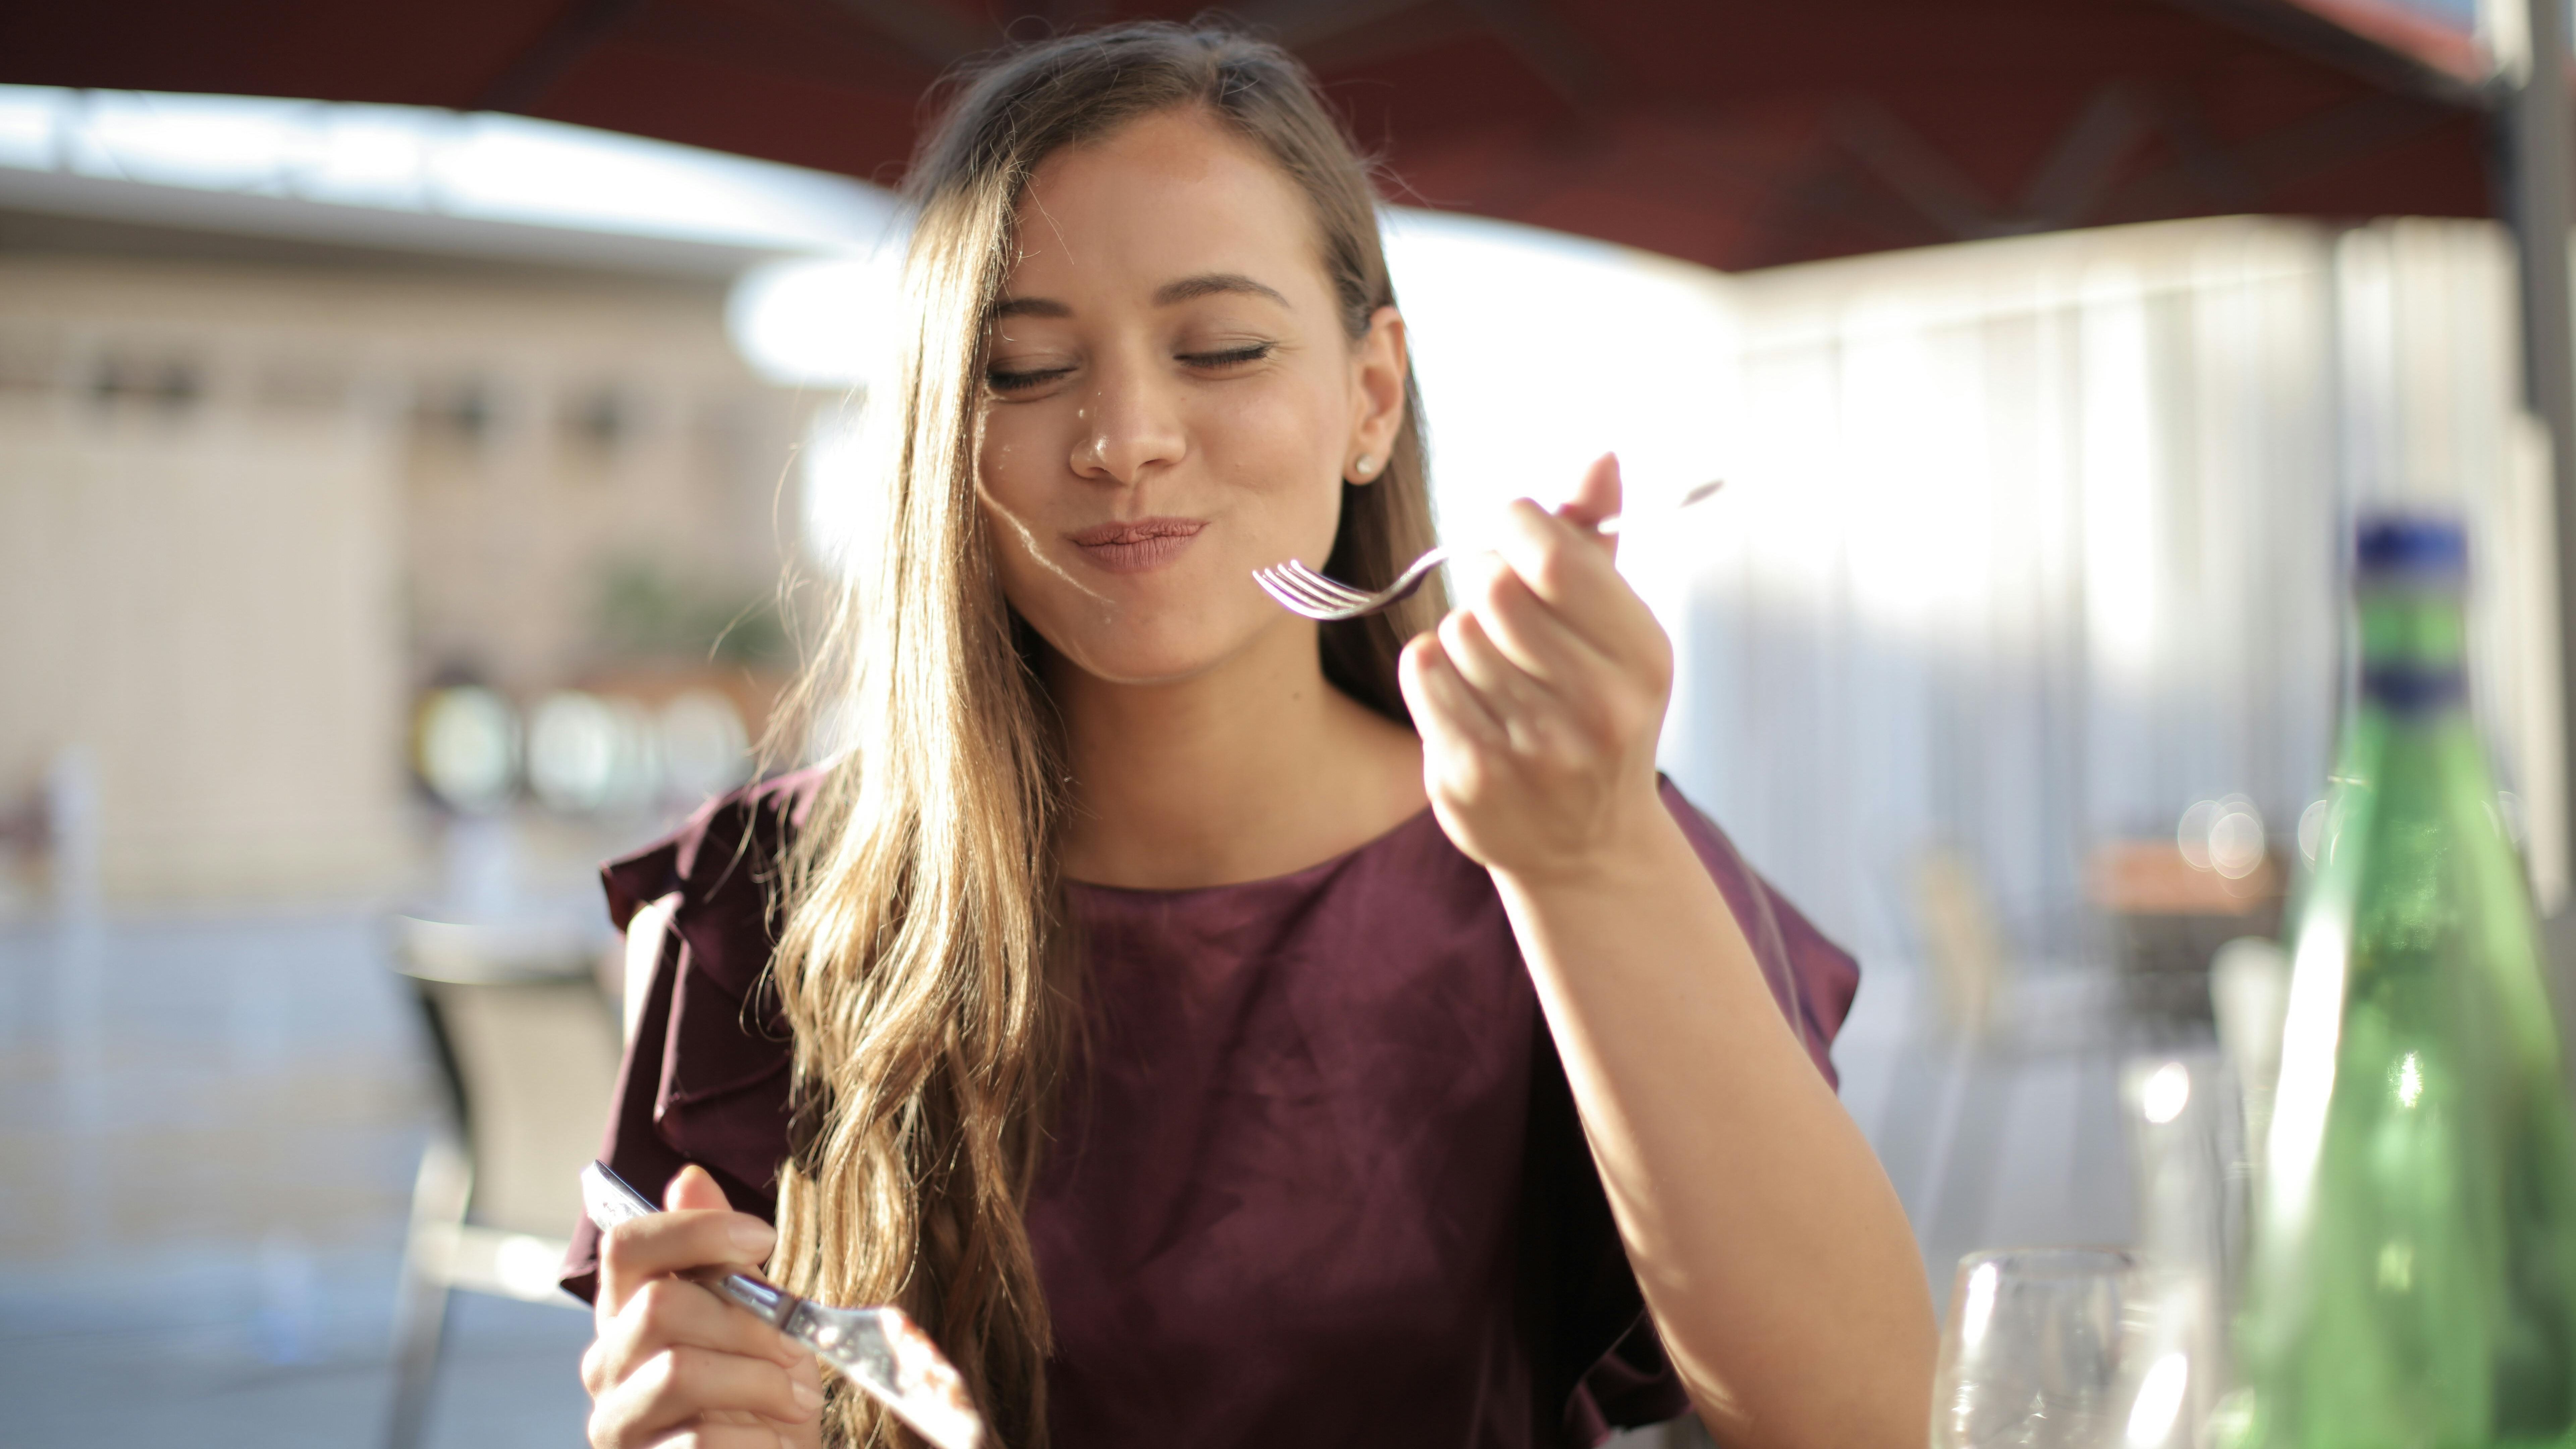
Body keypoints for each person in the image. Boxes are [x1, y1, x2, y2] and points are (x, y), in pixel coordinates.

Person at [565, 21, 1933, 1449]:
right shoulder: (768, 899)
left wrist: (1589, 865)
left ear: (1373, 398)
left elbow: (1863, 1420)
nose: (1126, 436)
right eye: (1025, 370)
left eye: (1220, 348)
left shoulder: (1566, 849)